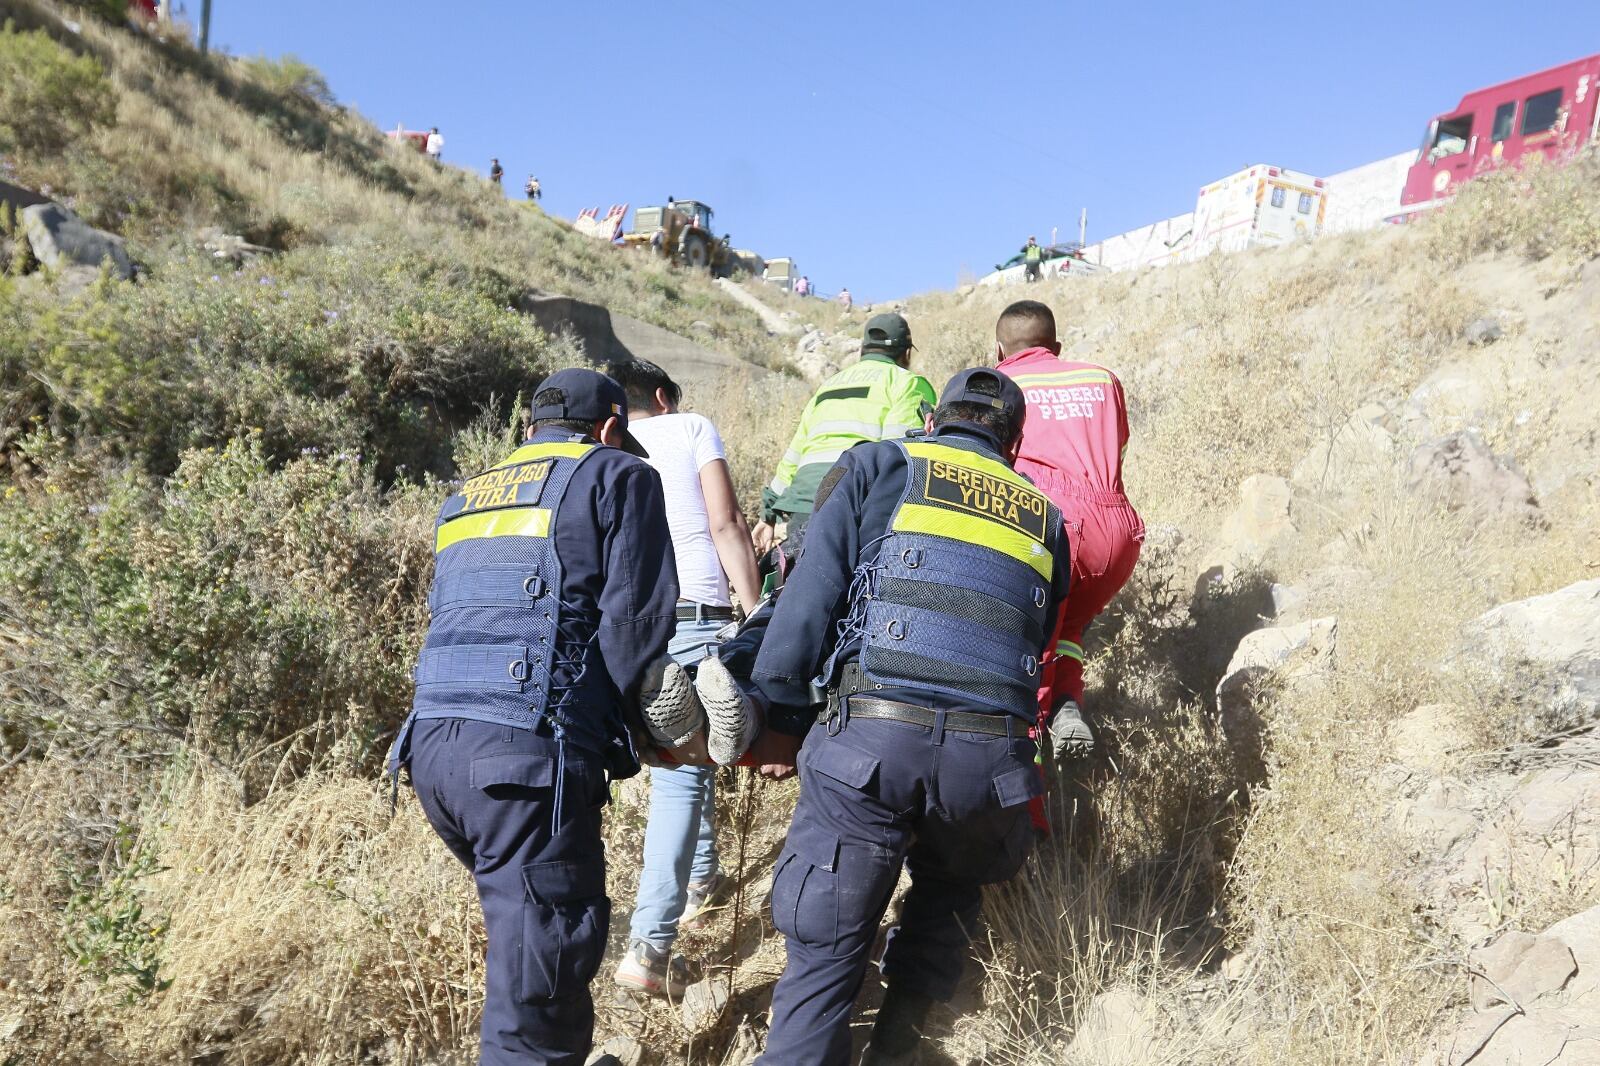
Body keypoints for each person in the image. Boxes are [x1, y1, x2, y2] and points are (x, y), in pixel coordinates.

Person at [746, 369, 1073, 1066]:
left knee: (826, 956)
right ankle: (896, 1050)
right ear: (1013, 444)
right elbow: (1035, 641)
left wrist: (777, 711)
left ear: (936, 420)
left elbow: (811, 596)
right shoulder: (1046, 516)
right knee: (945, 905)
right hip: (989, 771)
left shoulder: (882, 463)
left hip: (871, 747)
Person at [388, 368, 678, 1066]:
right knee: (539, 984)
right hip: (521, 765)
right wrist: (648, 727)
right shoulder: (618, 475)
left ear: (527, 431)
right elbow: (636, 623)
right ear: (610, 429)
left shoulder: (464, 498)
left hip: (433, 756)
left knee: (525, 944)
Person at [602, 359, 762, 998]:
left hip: (629, 624)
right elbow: (725, 523)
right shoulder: (691, 426)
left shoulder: (602, 444)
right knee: (682, 772)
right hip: (696, 612)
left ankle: (701, 877)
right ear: (664, 397)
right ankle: (650, 945)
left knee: (683, 759)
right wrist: (755, 610)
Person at [993, 300, 1144, 779]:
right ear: (1056, 347)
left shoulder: (998, 385)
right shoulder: (1102, 378)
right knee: (1069, 628)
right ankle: (1066, 702)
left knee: (1024, 654)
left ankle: (1028, 809)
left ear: (1000, 350)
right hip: (1116, 533)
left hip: (1047, 525)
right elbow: (1115, 446)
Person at [754, 313, 936, 555]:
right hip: (854, 501)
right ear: (906, 354)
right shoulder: (907, 383)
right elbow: (902, 453)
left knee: (801, 580)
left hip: (805, 502)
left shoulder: (827, 386)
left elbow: (794, 455)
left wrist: (768, 516)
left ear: (862, 349)